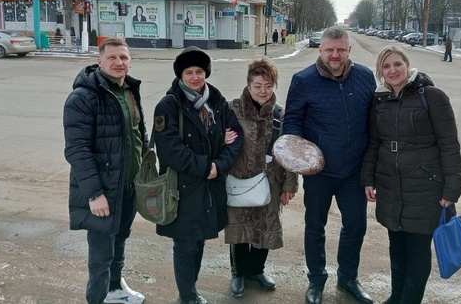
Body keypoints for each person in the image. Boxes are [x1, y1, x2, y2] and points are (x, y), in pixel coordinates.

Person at [361, 45, 461, 304]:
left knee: (418, 252)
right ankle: (396, 297)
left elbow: (449, 144)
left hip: (425, 186)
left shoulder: (431, 96)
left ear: (407, 66)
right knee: (397, 248)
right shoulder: (380, 101)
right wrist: (368, 178)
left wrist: (452, 188)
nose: (393, 70)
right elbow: (374, 142)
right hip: (391, 186)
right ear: (381, 73)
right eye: (386, 66)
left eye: (397, 64)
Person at [283, 26, 376, 304]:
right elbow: (292, 124)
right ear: (320, 50)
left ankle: (348, 278)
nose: (334, 55)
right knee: (315, 227)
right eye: (329, 50)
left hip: (353, 172)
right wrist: (300, 159)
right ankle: (316, 280)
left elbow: (374, 121)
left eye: (340, 49)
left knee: (356, 225)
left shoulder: (364, 76)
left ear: (349, 50)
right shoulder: (303, 80)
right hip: (319, 173)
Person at [152, 46, 243, 304]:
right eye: (189, 72)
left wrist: (220, 166)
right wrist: (208, 167)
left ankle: (190, 293)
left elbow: (235, 139)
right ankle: (187, 296)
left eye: (200, 71)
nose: (195, 77)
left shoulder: (216, 102)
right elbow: (170, 151)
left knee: (200, 242)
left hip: (210, 190)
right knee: (185, 246)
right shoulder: (168, 106)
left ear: (206, 73)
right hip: (182, 190)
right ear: (181, 75)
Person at [64, 37, 147, 304]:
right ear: (99, 60)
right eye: (111, 57)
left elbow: (138, 134)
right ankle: (97, 299)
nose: (118, 62)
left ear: (130, 61)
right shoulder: (83, 97)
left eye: (123, 57)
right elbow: (77, 150)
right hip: (103, 191)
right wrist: (94, 194)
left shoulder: (129, 91)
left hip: (128, 186)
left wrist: (146, 170)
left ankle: (115, 290)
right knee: (100, 257)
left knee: (120, 242)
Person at [225, 57, 298, 299]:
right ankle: (238, 273)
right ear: (248, 85)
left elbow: (289, 151)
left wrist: (289, 184)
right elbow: (216, 142)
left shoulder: (280, 115)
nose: (262, 91)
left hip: (271, 182)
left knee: (264, 226)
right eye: (257, 85)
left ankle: (256, 270)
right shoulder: (232, 109)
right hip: (239, 179)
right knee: (240, 227)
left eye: (268, 85)